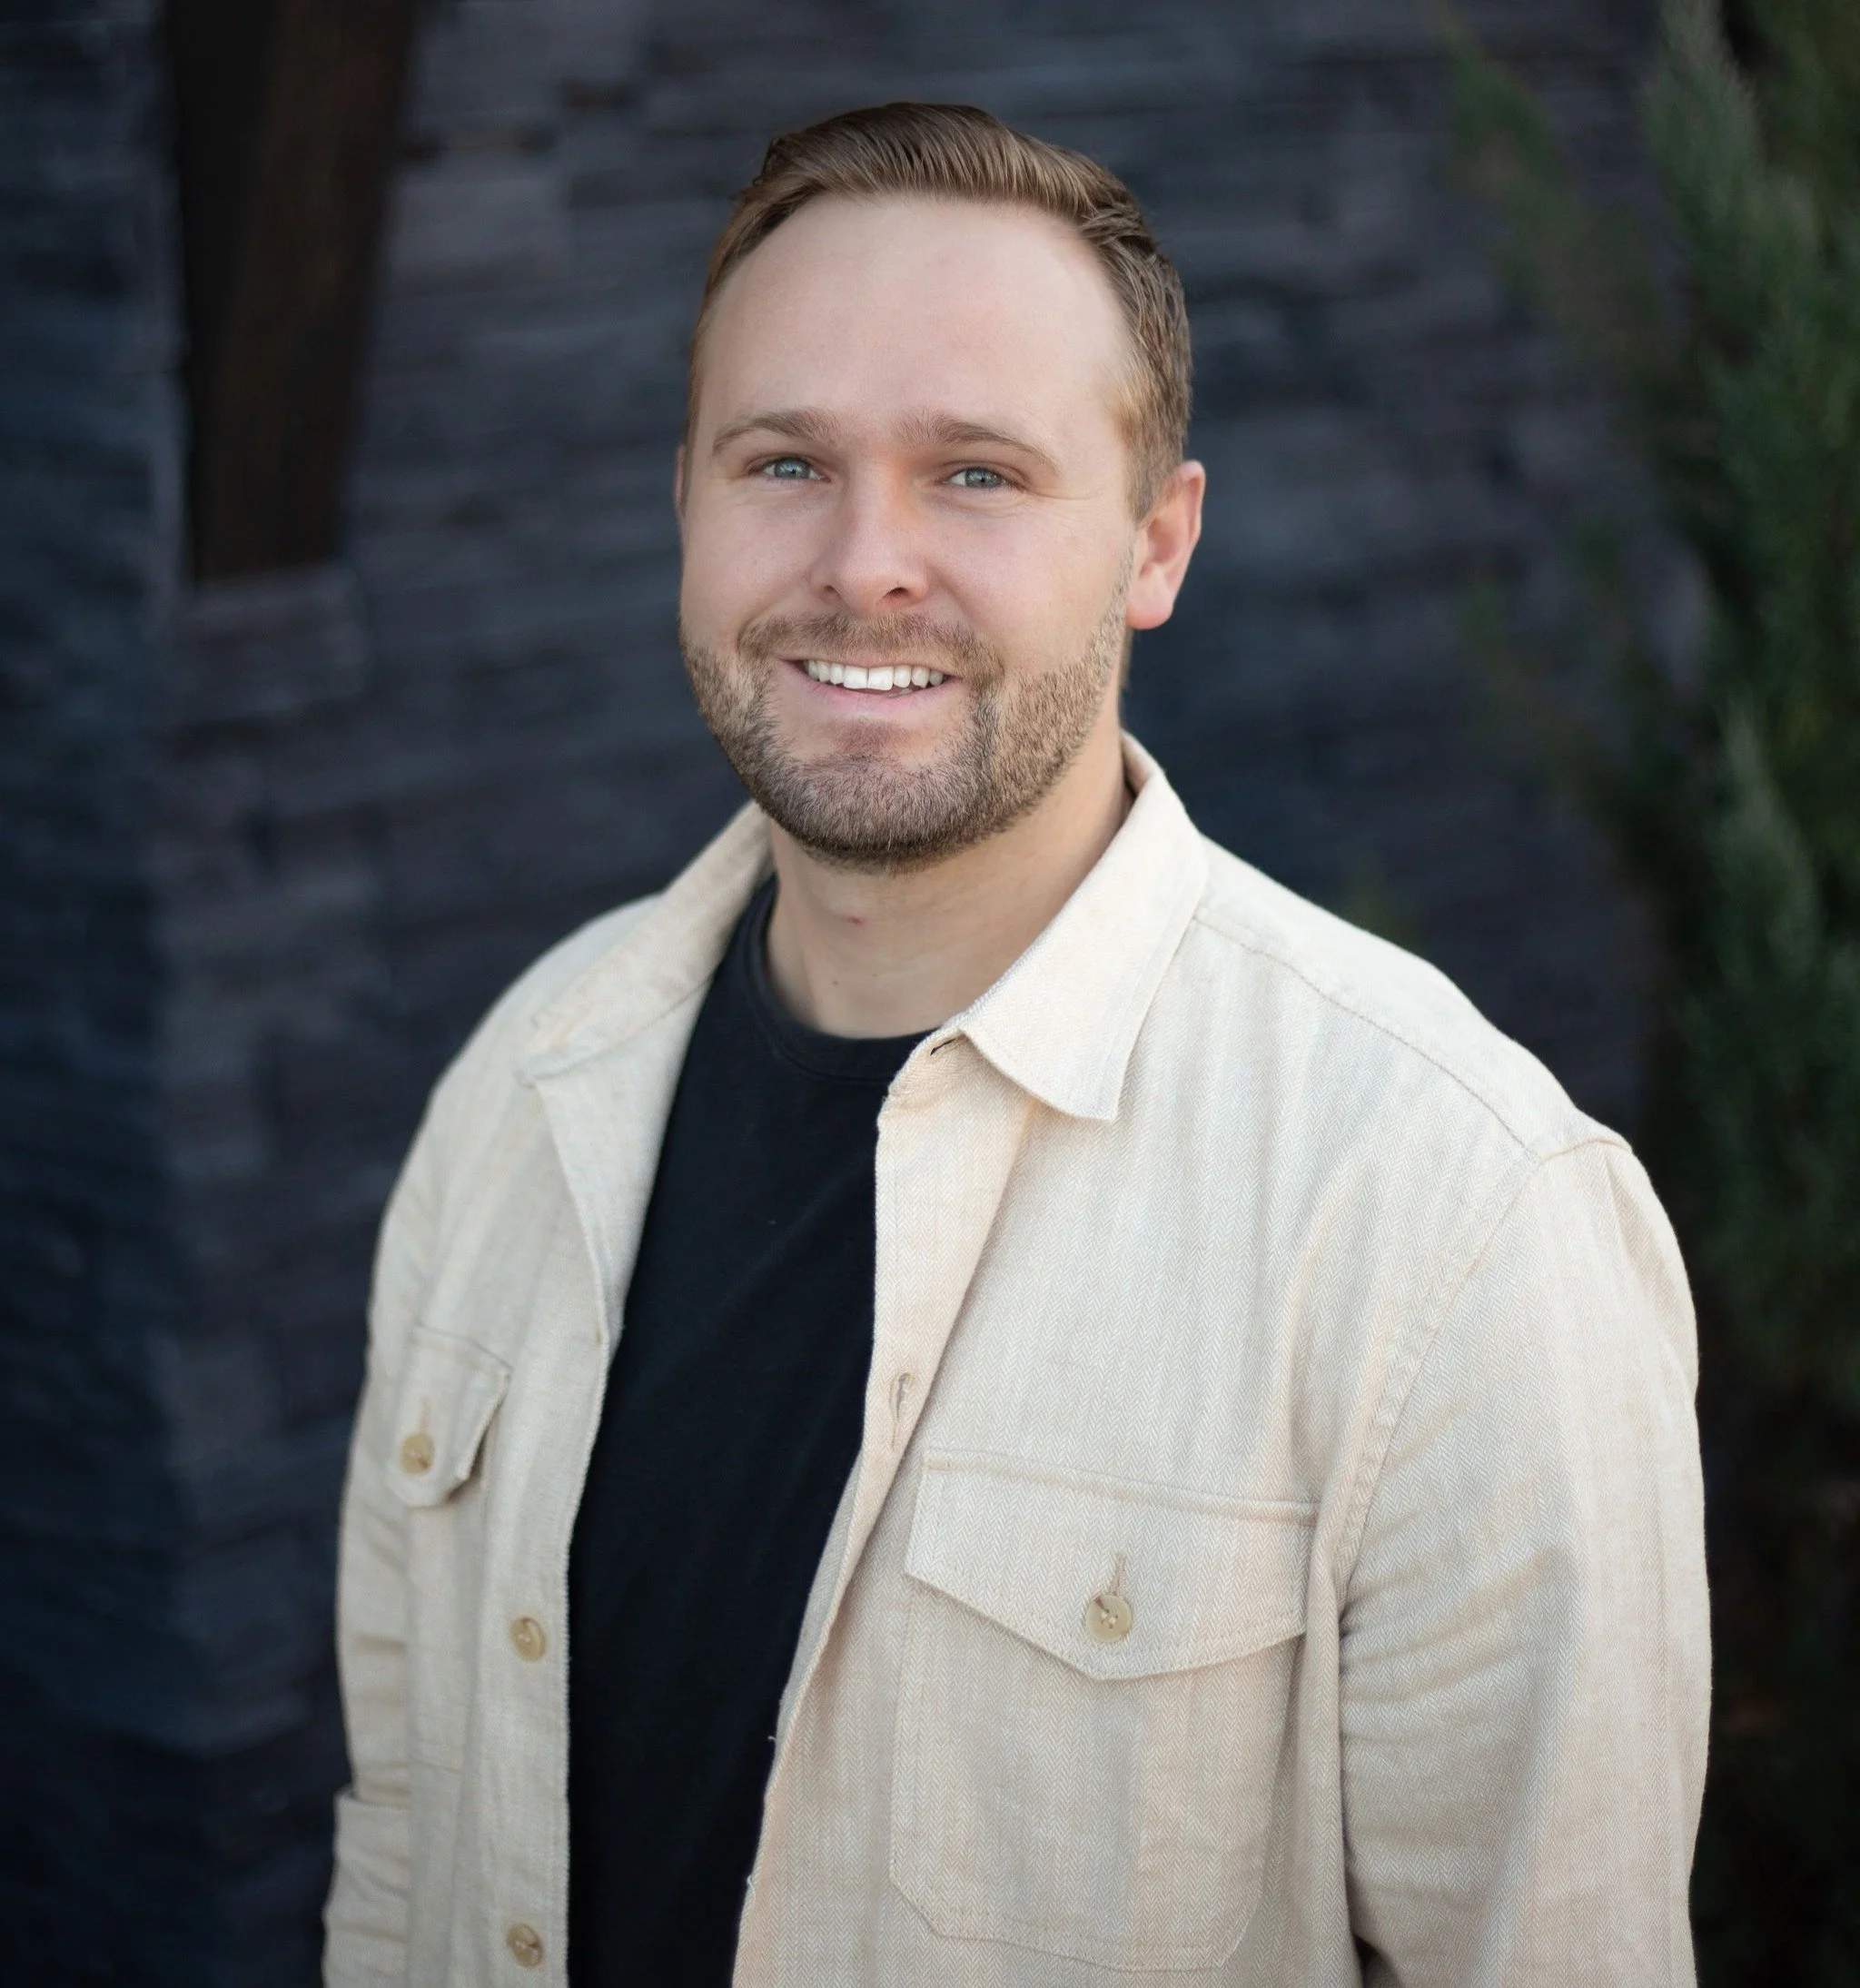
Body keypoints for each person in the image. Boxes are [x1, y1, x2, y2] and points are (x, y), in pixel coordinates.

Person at [322, 102, 1707, 1988]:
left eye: (976, 473)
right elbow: (409, 1847)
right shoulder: (523, 1083)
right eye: (784, 458)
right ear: (683, 503)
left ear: (1156, 543)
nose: (865, 559)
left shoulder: (1451, 1212)